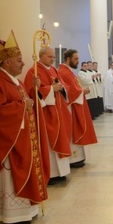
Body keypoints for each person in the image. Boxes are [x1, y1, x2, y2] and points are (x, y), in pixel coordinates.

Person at [0, 30, 50, 224]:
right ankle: (13, 214)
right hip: (8, 143)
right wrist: (21, 107)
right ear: (7, 62)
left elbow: (27, 102)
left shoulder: (15, 81)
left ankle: (26, 209)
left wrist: (34, 91)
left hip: (22, 138)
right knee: (11, 177)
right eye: (19, 60)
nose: (23, 63)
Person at [24, 46, 72, 186]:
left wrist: (60, 87)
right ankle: (51, 174)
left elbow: (61, 84)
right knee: (49, 143)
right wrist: (51, 89)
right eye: (50, 57)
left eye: (54, 57)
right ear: (42, 56)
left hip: (57, 110)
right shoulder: (33, 71)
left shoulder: (53, 70)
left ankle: (61, 172)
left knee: (60, 138)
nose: (53, 59)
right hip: (45, 113)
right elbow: (32, 91)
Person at [58, 49, 98, 168]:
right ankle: (73, 158)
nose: (77, 61)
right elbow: (69, 90)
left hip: (76, 104)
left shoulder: (68, 71)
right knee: (72, 131)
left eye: (78, 59)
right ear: (68, 59)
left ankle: (78, 157)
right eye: (75, 59)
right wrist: (82, 91)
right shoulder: (63, 72)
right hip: (71, 108)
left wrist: (80, 91)